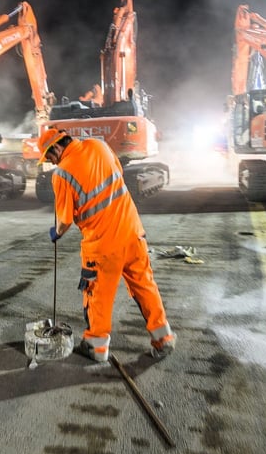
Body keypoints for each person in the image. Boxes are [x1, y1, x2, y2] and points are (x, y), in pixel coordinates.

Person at [38, 127, 175, 363]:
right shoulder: (98, 145)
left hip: (102, 247)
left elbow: (64, 221)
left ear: (57, 147)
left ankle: (96, 347)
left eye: (50, 157)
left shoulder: (62, 174)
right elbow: (117, 174)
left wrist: (55, 233)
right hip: (133, 234)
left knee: (97, 296)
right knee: (145, 286)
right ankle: (164, 339)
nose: (51, 162)